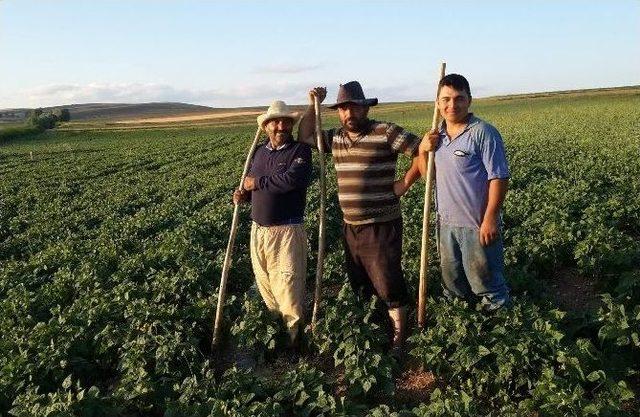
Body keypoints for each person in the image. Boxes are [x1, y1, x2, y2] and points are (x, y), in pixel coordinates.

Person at [297, 81, 430, 349]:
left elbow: (421, 150)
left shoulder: (385, 131)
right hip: (350, 226)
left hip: (382, 223)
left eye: (354, 108)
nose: (349, 114)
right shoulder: (335, 137)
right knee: (360, 281)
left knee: (387, 280)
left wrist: (405, 182)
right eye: (344, 109)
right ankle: (375, 329)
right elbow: (305, 136)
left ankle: (399, 337)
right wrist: (313, 106)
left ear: (365, 108)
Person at [423, 73, 511, 311]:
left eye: (459, 98)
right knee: (452, 283)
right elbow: (426, 175)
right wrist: (423, 150)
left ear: (469, 100)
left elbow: (499, 177)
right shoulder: (435, 136)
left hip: (476, 224)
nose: (453, 105)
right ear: (438, 103)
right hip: (445, 224)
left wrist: (490, 218)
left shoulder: (483, 132)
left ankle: (500, 327)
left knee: (486, 281)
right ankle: (461, 325)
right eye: (446, 99)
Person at [233, 100, 312, 346]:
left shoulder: (299, 151)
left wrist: (256, 184)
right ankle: (275, 337)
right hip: (258, 230)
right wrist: (242, 196)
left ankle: (295, 343)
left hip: (286, 230)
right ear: (266, 126)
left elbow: (292, 180)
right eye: (275, 122)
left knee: (288, 286)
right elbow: (249, 185)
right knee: (266, 285)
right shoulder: (258, 152)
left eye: (285, 122)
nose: (281, 126)